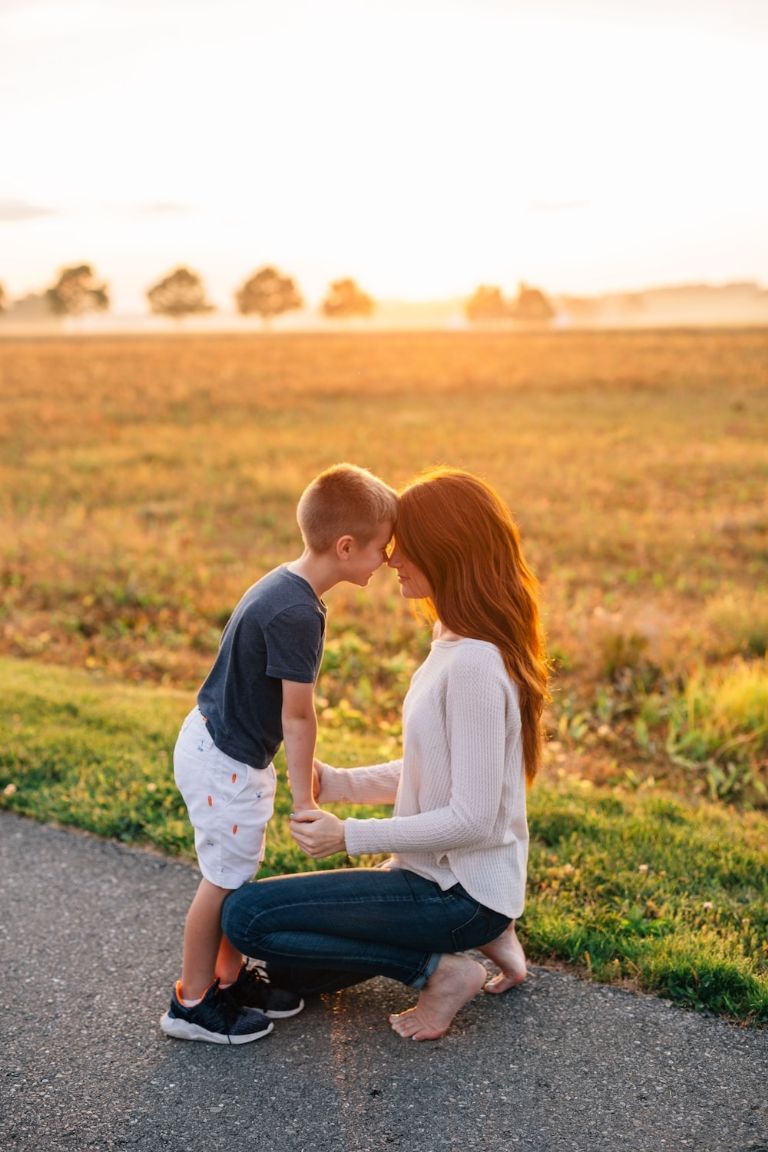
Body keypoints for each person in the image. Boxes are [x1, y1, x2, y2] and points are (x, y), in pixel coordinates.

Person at [221, 467, 549, 1041]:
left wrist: (348, 835)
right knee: (293, 973)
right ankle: (493, 933)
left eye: (404, 545)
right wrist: (338, 781)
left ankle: (442, 969)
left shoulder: (473, 664)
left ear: (446, 553)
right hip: (453, 882)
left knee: (248, 919)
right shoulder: (454, 638)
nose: (391, 557)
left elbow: (472, 820)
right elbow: (433, 773)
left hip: (452, 891)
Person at [161, 463, 398, 1044]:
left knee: (235, 876)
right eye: (380, 549)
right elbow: (298, 716)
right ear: (345, 547)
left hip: (218, 744)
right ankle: (192, 1004)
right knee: (221, 881)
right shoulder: (298, 612)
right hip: (227, 761)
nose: (386, 560)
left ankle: (228, 977)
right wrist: (304, 799)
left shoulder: (285, 583)